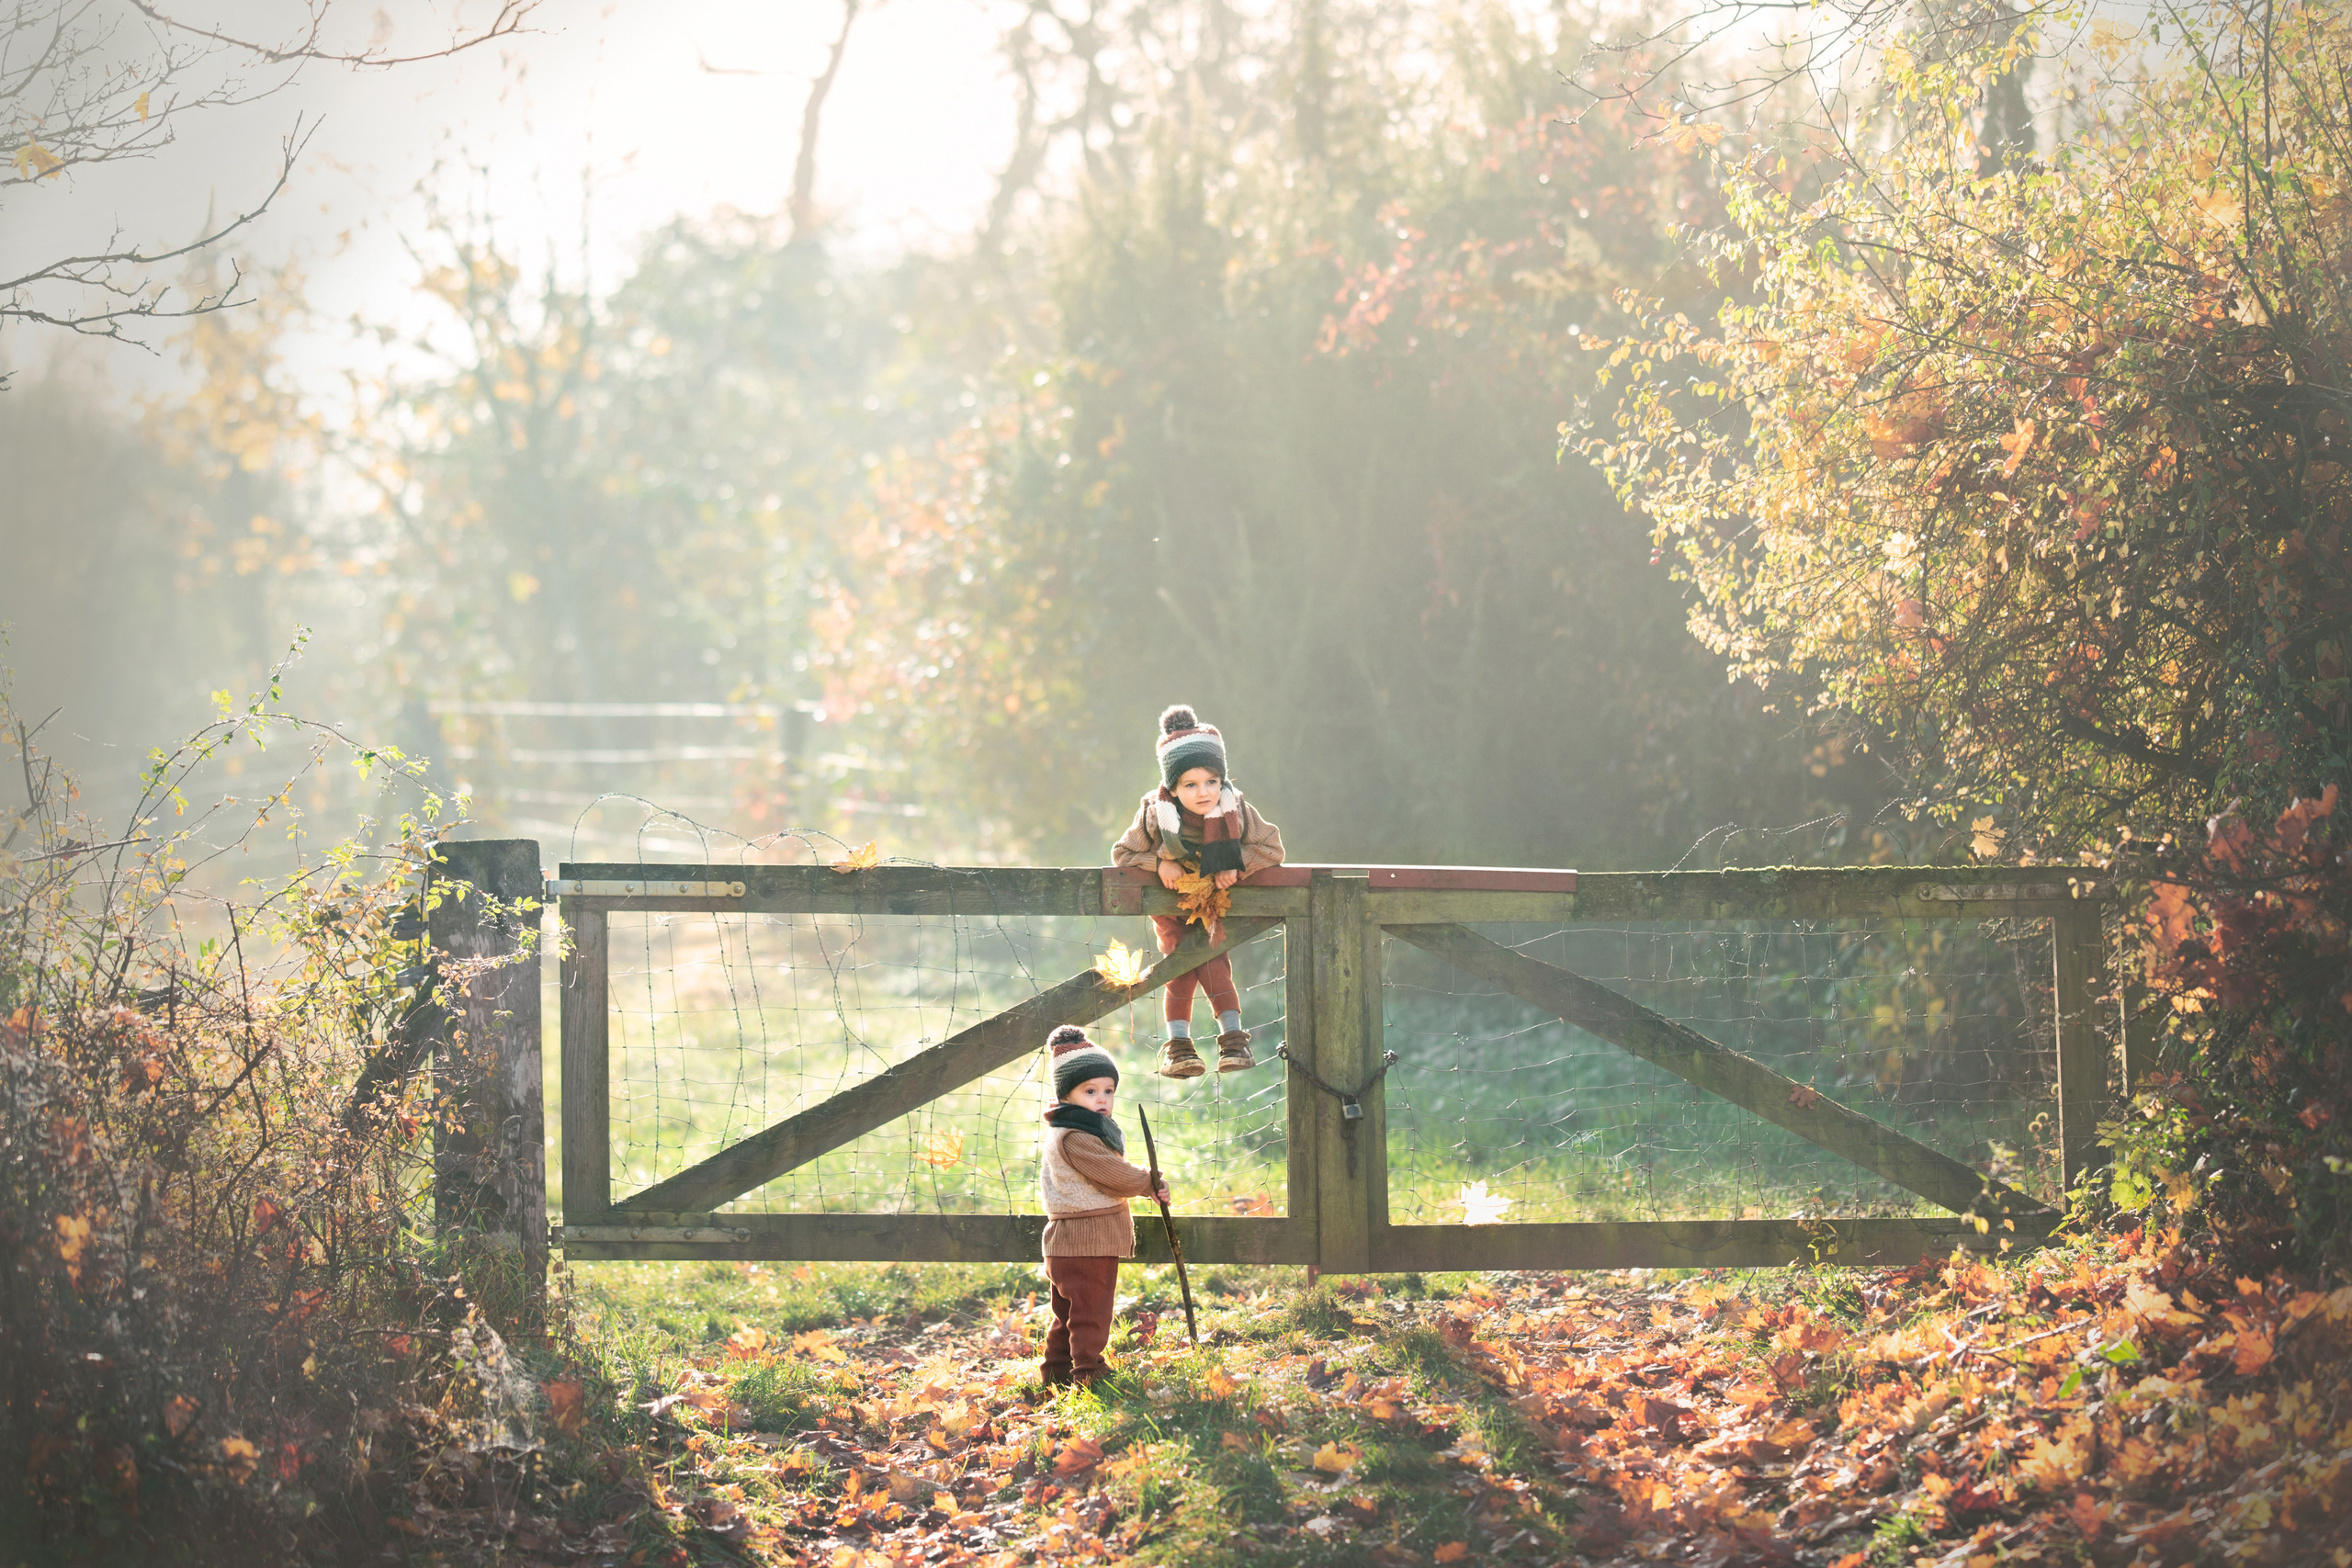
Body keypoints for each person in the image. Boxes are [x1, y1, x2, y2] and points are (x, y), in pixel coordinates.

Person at [1111, 704, 1286, 1077]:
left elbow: (1271, 849)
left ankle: (1233, 1042)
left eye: (1211, 781)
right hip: (1172, 904)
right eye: (1190, 785)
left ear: (1221, 779)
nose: (1203, 792)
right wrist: (1160, 863)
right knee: (1180, 966)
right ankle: (1179, 1048)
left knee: (1213, 957)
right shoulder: (1155, 811)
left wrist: (1234, 864)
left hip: (1213, 902)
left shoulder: (1235, 808)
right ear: (1172, 788)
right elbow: (1123, 854)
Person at [1037, 1024, 1166, 1390]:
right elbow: (1113, 1174)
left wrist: (1146, 1183)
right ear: (1066, 1095)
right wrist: (1149, 1181)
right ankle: (1089, 1374)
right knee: (1091, 1315)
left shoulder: (1074, 1128)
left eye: (1108, 1090)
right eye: (1090, 1091)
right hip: (1086, 1242)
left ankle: (1057, 1371)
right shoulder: (1076, 1136)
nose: (1102, 1099)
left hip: (1070, 1242)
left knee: (1068, 1315)